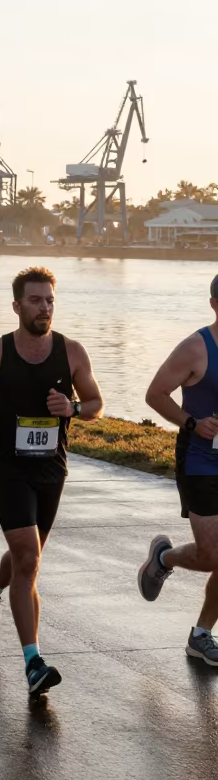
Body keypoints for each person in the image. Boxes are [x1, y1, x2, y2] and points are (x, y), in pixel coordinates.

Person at [0, 266, 103, 698]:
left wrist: (71, 408)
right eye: (36, 300)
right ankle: (33, 662)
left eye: (50, 300)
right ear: (17, 306)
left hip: (51, 470)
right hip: (10, 468)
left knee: (24, 562)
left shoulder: (72, 352)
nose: (44, 307)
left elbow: (95, 403)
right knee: (29, 560)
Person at [139, 274, 218, 665]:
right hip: (201, 460)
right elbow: (155, 393)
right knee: (213, 553)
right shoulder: (195, 348)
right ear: (214, 304)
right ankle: (164, 559)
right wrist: (193, 422)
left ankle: (202, 634)